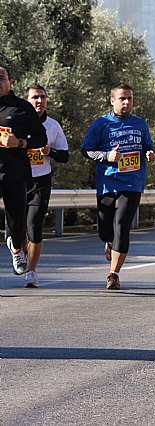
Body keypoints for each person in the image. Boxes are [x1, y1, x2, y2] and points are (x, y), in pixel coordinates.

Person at [81, 83, 155, 290]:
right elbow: (86, 150)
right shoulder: (101, 124)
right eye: (122, 98)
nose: (126, 102)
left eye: (130, 98)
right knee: (106, 229)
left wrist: (151, 154)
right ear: (112, 100)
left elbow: (149, 147)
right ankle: (108, 242)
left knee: (122, 225)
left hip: (133, 182)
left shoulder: (140, 124)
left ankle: (113, 274)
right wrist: (107, 156)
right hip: (107, 182)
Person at [0, 67, 47, 279]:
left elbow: (41, 138)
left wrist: (19, 143)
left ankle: (16, 248)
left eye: (1, 78)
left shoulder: (22, 108)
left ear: (10, 81)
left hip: (15, 173)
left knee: (17, 222)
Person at [21, 84, 69, 287]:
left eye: (42, 97)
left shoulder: (53, 126)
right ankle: (21, 251)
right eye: (35, 97)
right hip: (18, 180)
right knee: (15, 230)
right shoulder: (18, 123)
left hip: (41, 181)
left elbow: (65, 156)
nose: (39, 101)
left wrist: (50, 152)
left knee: (34, 227)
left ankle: (31, 272)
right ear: (27, 100)